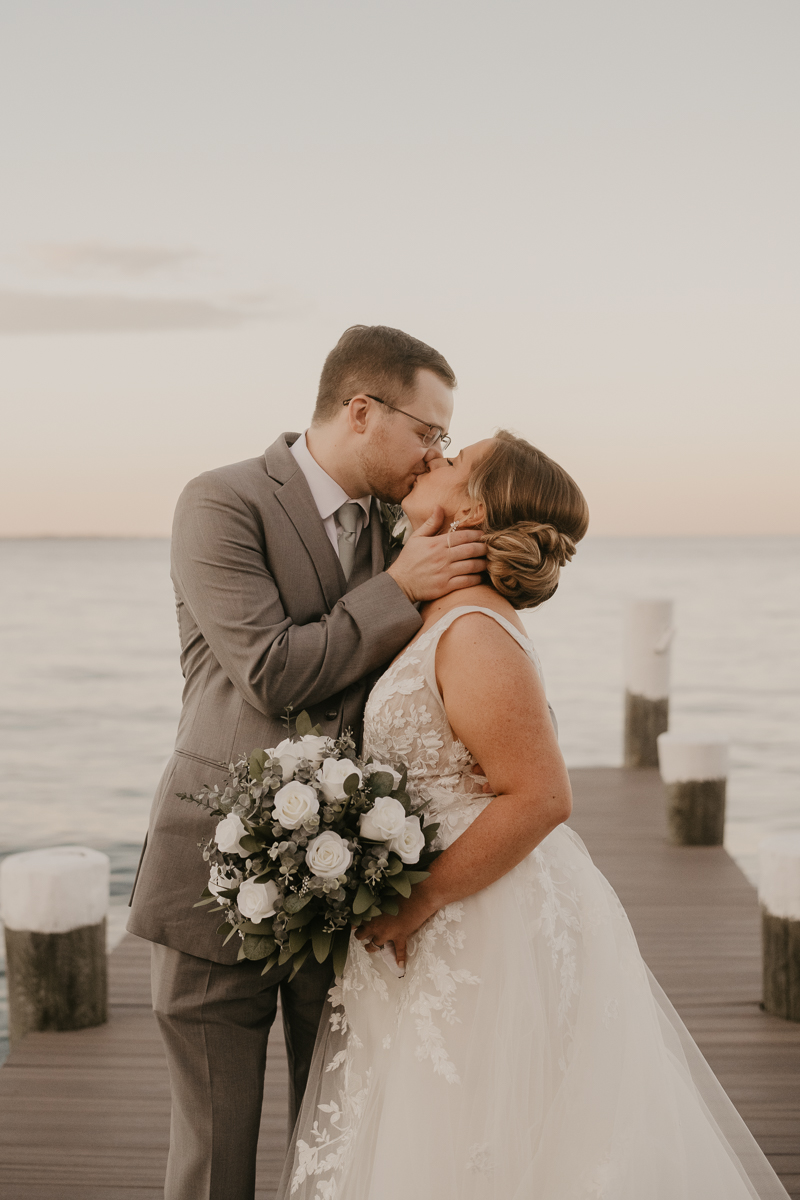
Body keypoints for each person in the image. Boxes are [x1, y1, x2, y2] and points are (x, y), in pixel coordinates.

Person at [279, 431, 789, 1200]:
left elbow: (544, 796)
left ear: (474, 508)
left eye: (452, 460)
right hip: (440, 913)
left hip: (478, 916)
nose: (432, 460)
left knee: (482, 1134)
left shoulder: (474, 631)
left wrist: (420, 900)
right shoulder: (435, 609)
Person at [126, 324, 489, 1200]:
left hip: (353, 887)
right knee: (215, 1155)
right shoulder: (221, 502)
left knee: (338, 1136)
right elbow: (273, 671)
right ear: (362, 411)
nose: (435, 449)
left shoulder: (404, 525)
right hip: (216, 869)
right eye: (428, 430)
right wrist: (402, 586)